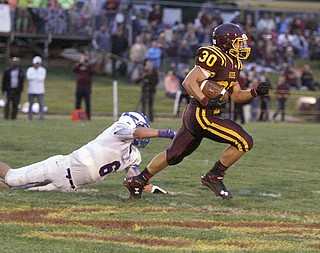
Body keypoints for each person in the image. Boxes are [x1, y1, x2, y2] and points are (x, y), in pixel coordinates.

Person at [123, 23, 270, 200]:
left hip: (198, 114)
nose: (241, 47)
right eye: (238, 43)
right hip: (202, 114)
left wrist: (255, 92)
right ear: (225, 42)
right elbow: (189, 82)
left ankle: (138, 181)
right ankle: (214, 176)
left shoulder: (233, 63)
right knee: (244, 141)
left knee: (174, 155)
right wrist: (205, 99)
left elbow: (237, 95)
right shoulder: (214, 56)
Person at [0, 111, 175, 193]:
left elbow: (135, 179)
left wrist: (155, 191)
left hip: (68, 187)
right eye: (145, 128)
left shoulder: (133, 155)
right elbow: (136, 133)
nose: (146, 133)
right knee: (12, 178)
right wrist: (164, 133)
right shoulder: (119, 129)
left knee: (13, 190)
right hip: (60, 168)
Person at [72, 52, 96, 120]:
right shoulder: (79, 64)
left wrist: (88, 64)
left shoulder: (90, 65)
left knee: (87, 102)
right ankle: (77, 116)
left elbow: (93, 72)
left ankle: (88, 117)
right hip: (79, 87)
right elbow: (74, 69)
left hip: (87, 87)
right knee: (78, 102)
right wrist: (81, 62)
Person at [26, 56, 47, 120]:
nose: (36, 64)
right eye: (36, 63)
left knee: (40, 104)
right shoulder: (30, 69)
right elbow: (29, 77)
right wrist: (36, 78)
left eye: (38, 63)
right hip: (31, 90)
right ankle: (30, 117)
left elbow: (41, 78)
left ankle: (41, 117)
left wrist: (34, 78)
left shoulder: (43, 70)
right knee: (30, 104)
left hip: (40, 90)